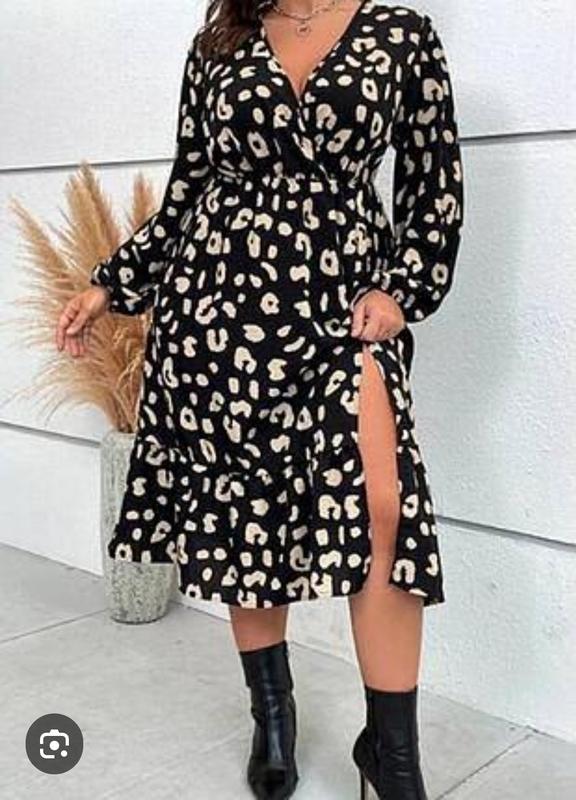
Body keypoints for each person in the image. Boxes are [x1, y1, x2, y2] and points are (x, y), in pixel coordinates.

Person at [56, 1, 464, 797]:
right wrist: (110, 285)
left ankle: (393, 757)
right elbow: (188, 192)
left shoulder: (401, 34)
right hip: (218, 309)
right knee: (245, 513)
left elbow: (433, 187)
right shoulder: (222, 38)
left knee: (382, 506)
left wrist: (403, 288)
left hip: (343, 302)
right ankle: (272, 714)